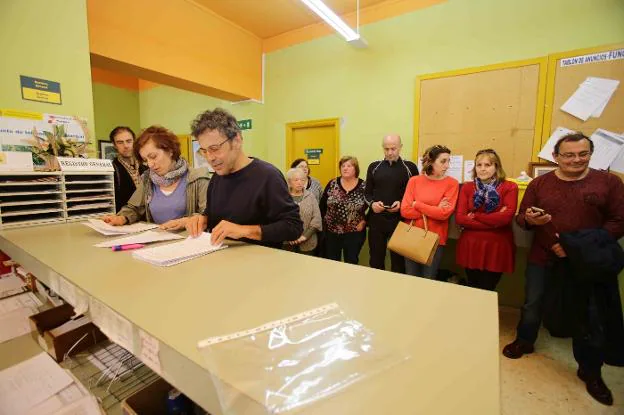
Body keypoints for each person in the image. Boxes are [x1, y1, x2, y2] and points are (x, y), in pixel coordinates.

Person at [502, 133, 624, 406]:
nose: (576, 160)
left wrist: (576, 246)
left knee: (588, 314)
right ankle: (525, 340)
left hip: (587, 261)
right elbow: (522, 219)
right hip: (543, 257)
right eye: (568, 155)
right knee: (532, 302)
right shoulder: (540, 183)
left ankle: (590, 371)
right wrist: (531, 219)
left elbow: (619, 221)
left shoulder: (609, 183)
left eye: (583, 153)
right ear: (556, 157)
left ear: (591, 154)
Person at [185, 108, 302, 247]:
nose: (210, 158)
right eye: (204, 151)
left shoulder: (268, 177)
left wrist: (244, 230)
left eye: (215, 148)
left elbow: (293, 227)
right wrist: (203, 219)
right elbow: (213, 214)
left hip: (260, 263)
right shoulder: (217, 177)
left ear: (237, 140)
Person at [103, 126, 209, 230]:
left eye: (153, 157)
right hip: (157, 242)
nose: (150, 164)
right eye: (145, 160)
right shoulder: (147, 179)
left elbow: (208, 216)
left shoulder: (198, 178)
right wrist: (122, 218)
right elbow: (134, 208)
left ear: (170, 150)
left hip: (189, 243)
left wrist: (185, 222)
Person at [455, 149, 518, 291]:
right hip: (471, 245)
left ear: (496, 167)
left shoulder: (510, 187)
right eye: (479, 165)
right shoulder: (467, 187)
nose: (482, 169)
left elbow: (506, 219)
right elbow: (460, 219)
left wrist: (476, 215)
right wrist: (494, 220)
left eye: (488, 165)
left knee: (488, 288)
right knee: (472, 287)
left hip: (497, 246)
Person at [400, 145, 459, 278]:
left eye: (449, 161)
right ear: (431, 162)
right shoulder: (414, 181)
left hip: (435, 240)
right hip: (411, 236)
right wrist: (435, 208)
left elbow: (444, 214)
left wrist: (418, 204)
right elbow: (405, 211)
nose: (447, 165)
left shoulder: (452, 184)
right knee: (411, 278)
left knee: (429, 279)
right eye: (443, 161)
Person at [365, 134, 419, 273]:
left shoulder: (410, 168)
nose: (390, 152)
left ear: (400, 147)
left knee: (398, 262)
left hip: (400, 221)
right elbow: (367, 193)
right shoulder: (374, 167)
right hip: (377, 221)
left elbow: (416, 195)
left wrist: (402, 203)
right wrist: (372, 205)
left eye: (393, 149)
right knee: (376, 260)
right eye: (386, 149)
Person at [320, 156, 367, 264]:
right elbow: (322, 205)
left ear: (355, 169)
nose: (345, 168)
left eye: (349, 166)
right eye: (343, 166)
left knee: (351, 262)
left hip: (354, 233)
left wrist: (364, 221)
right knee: (331, 263)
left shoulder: (364, 186)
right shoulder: (332, 183)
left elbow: (372, 207)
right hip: (332, 232)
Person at [283, 168, 322, 254]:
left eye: (302, 180)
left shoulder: (310, 196)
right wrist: (289, 236)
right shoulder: (283, 197)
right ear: (289, 182)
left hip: (308, 242)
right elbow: (279, 218)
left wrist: (304, 236)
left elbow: (317, 219)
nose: (300, 182)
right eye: (296, 180)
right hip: (287, 242)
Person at [109, 126, 147, 212]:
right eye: (120, 142)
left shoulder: (147, 168)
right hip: (125, 219)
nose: (125, 146)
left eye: (129, 141)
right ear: (114, 145)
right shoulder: (111, 171)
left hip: (148, 220)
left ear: (134, 142)